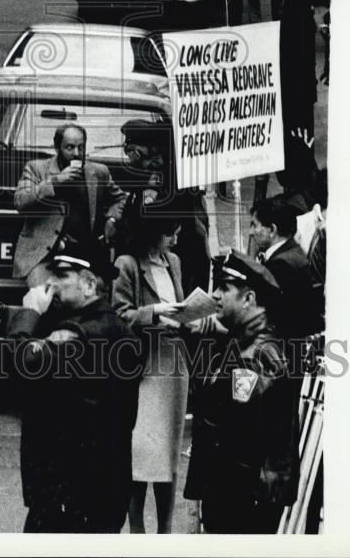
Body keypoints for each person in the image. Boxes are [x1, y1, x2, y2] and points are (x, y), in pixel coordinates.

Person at [6, 236, 141, 532]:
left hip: (68, 490)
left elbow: (20, 364)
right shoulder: (121, 332)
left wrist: (29, 313)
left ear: (90, 284)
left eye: (62, 276)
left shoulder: (75, 335)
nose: (51, 283)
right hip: (108, 485)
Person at [183, 250, 300, 533]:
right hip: (241, 491)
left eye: (224, 287)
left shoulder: (254, 357)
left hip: (241, 496)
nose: (215, 295)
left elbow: (235, 429)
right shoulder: (246, 344)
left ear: (249, 299)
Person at [113, 219, 189, 533]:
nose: (175, 238)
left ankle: (165, 530)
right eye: (170, 233)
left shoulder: (175, 262)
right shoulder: (127, 264)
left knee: (168, 453)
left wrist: (191, 315)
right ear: (152, 233)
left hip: (173, 362)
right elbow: (119, 314)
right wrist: (155, 312)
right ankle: (137, 530)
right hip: (144, 364)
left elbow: (181, 307)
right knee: (142, 453)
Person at [12, 123, 126, 283]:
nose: (76, 153)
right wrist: (55, 181)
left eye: (81, 147)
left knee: (90, 297)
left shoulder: (98, 172)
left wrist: (112, 219)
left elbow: (120, 199)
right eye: (70, 148)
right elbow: (21, 201)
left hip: (84, 253)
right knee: (44, 297)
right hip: (45, 256)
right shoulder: (36, 168)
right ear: (57, 148)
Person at [115, 120, 211, 295]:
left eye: (128, 151)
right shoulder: (162, 169)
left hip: (170, 252)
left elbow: (147, 213)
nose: (127, 158)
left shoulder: (156, 178)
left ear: (137, 151)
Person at [249, 196, 322, 355]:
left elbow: (261, 315)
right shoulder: (292, 251)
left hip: (284, 354)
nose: (251, 232)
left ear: (272, 230)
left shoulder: (280, 265)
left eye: (254, 225)